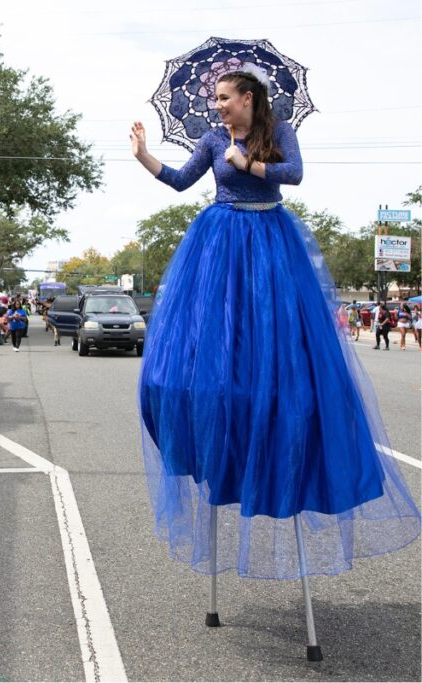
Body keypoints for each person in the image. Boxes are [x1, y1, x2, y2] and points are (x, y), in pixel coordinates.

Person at [130, 66, 419, 580]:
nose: (217, 106)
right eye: (214, 99)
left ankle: (282, 431)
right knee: (211, 341)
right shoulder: (212, 137)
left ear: (247, 97)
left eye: (223, 97)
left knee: (278, 341)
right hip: (219, 241)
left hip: (270, 238)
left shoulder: (278, 131)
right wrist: (144, 157)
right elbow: (179, 182)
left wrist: (252, 165)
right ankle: (219, 437)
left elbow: (295, 175)